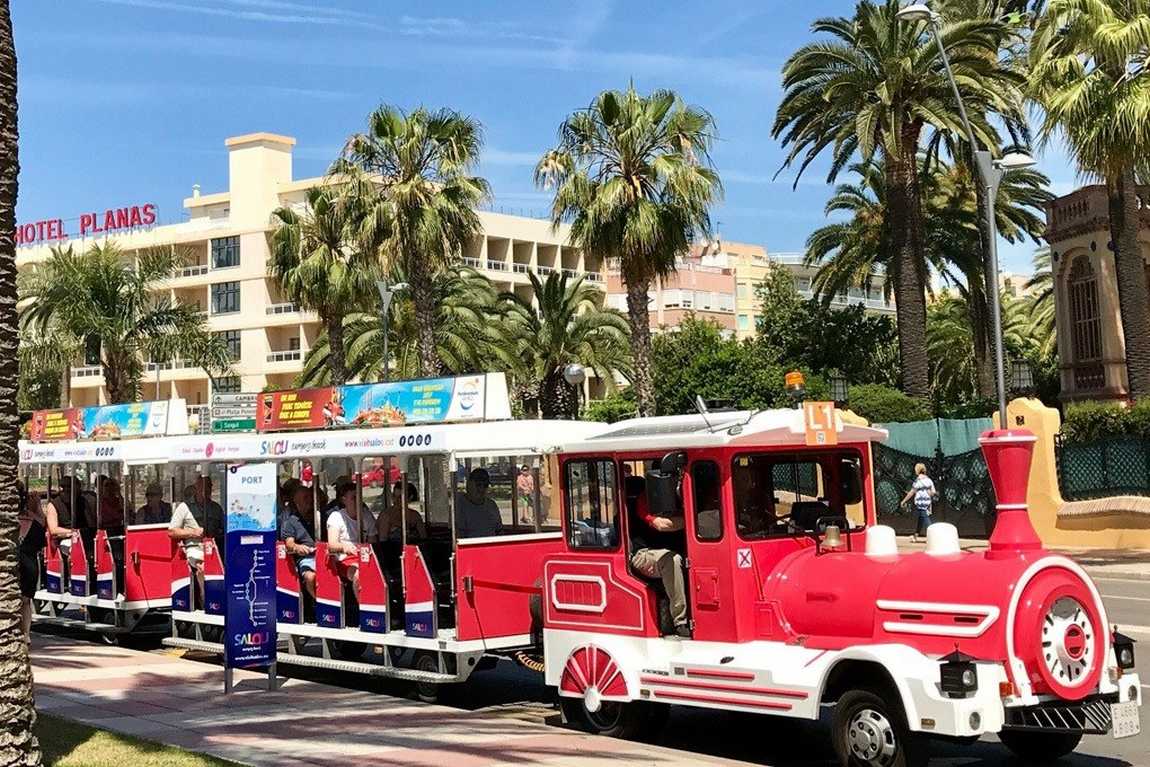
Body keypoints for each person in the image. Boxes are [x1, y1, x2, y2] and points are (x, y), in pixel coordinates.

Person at [626, 475, 689, 638]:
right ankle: (680, 621)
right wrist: (692, 520)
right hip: (643, 553)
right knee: (671, 560)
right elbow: (661, 525)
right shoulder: (644, 499)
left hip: (670, 548)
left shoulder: (681, 496)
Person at [18, 481, 47, 640]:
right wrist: (36, 507)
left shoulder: (13, 517)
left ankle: (25, 632)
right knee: (25, 600)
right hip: (29, 561)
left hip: (24, 561)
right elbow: (43, 525)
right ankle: (26, 633)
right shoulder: (34, 518)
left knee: (25, 599)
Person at [168, 484, 206, 607]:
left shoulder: (215, 507)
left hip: (213, 546)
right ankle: (204, 599)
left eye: (210, 486)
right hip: (194, 547)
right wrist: (193, 532)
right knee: (203, 565)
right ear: (197, 489)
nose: (207, 489)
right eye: (204, 486)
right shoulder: (184, 507)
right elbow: (172, 531)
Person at [279, 478, 317, 598]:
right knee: (311, 577)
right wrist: (298, 547)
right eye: (305, 498)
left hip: (325, 556)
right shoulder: (290, 522)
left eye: (310, 497)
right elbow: (289, 544)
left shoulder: (320, 518)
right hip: (307, 558)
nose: (309, 500)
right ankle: (317, 603)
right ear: (296, 501)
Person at [326, 480, 361, 599]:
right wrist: (345, 547)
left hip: (363, 557)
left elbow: (373, 542)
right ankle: (363, 609)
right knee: (358, 575)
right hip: (343, 560)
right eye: (353, 497)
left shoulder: (366, 516)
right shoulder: (336, 517)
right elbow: (332, 545)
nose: (357, 500)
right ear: (344, 500)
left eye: (359, 496)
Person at [46, 476, 79, 587]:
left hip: (84, 536)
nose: (65, 490)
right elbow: (54, 529)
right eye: (63, 487)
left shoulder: (82, 501)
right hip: (65, 539)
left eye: (69, 487)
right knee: (74, 549)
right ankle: (73, 581)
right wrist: (71, 532)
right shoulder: (53, 505)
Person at [454, 468, 503, 538]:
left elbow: (499, 531)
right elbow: (459, 537)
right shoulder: (459, 506)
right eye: (478, 485)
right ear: (469, 484)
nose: (482, 489)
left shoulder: (492, 505)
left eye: (485, 485)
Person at [902, 463, 938, 543]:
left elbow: (912, 492)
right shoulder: (929, 480)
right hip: (927, 502)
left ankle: (934, 536)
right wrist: (929, 493)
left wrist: (904, 501)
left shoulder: (917, 481)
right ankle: (916, 536)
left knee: (925, 519)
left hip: (920, 502)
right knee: (921, 519)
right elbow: (933, 492)